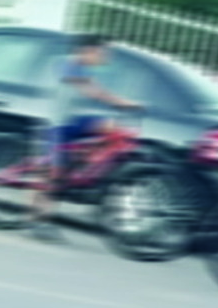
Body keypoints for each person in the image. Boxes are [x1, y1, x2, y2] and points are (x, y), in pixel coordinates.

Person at [31, 35, 139, 243]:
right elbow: (93, 91)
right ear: (87, 50)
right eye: (101, 52)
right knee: (54, 174)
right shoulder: (65, 63)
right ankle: (38, 219)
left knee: (113, 130)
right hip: (53, 126)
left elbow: (95, 88)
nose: (104, 56)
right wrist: (123, 102)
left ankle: (89, 172)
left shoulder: (83, 68)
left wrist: (123, 105)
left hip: (70, 122)